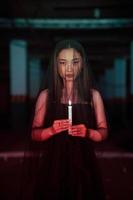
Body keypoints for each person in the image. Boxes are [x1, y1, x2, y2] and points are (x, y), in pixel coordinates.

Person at [28, 39, 108, 200]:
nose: (70, 68)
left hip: (84, 162)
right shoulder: (46, 96)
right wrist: (51, 130)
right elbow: (34, 134)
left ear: (82, 64)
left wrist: (88, 132)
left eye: (75, 62)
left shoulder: (93, 96)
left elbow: (103, 131)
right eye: (63, 63)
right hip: (54, 163)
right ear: (56, 66)